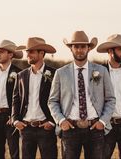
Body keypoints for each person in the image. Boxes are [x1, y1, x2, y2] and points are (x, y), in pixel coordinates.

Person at [48, 31, 115, 159]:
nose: (79, 50)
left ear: (88, 48)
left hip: (95, 129)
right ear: (71, 49)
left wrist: (102, 121)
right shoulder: (61, 73)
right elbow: (52, 101)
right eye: (76, 46)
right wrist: (61, 121)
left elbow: (111, 99)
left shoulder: (101, 71)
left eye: (83, 46)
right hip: (70, 129)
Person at [12, 37, 58, 159]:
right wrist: (15, 120)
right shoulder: (21, 75)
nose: (28, 54)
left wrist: (52, 122)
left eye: (31, 51)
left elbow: (60, 99)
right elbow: (16, 99)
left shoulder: (55, 74)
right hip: (26, 129)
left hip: (46, 128)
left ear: (41, 53)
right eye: (27, 52)